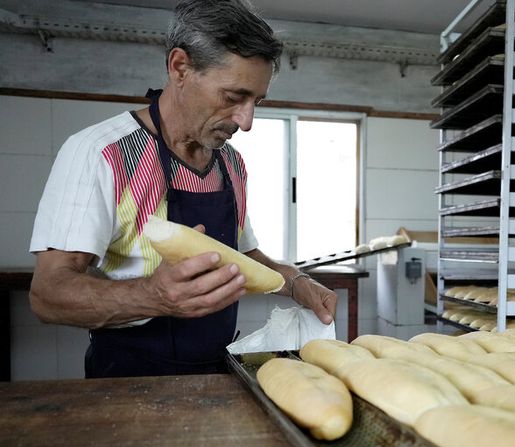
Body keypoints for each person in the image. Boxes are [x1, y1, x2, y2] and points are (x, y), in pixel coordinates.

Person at [28, 0, 337, 378]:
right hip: (127, 379)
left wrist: (297, 283)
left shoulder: (231, 164)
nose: (247, 120)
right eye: (232, 97)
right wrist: (153, 296)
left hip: (219, 374)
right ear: (180, 68)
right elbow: (47, 294)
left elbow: (243, 254)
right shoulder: (101, 153)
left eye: (257, 101)